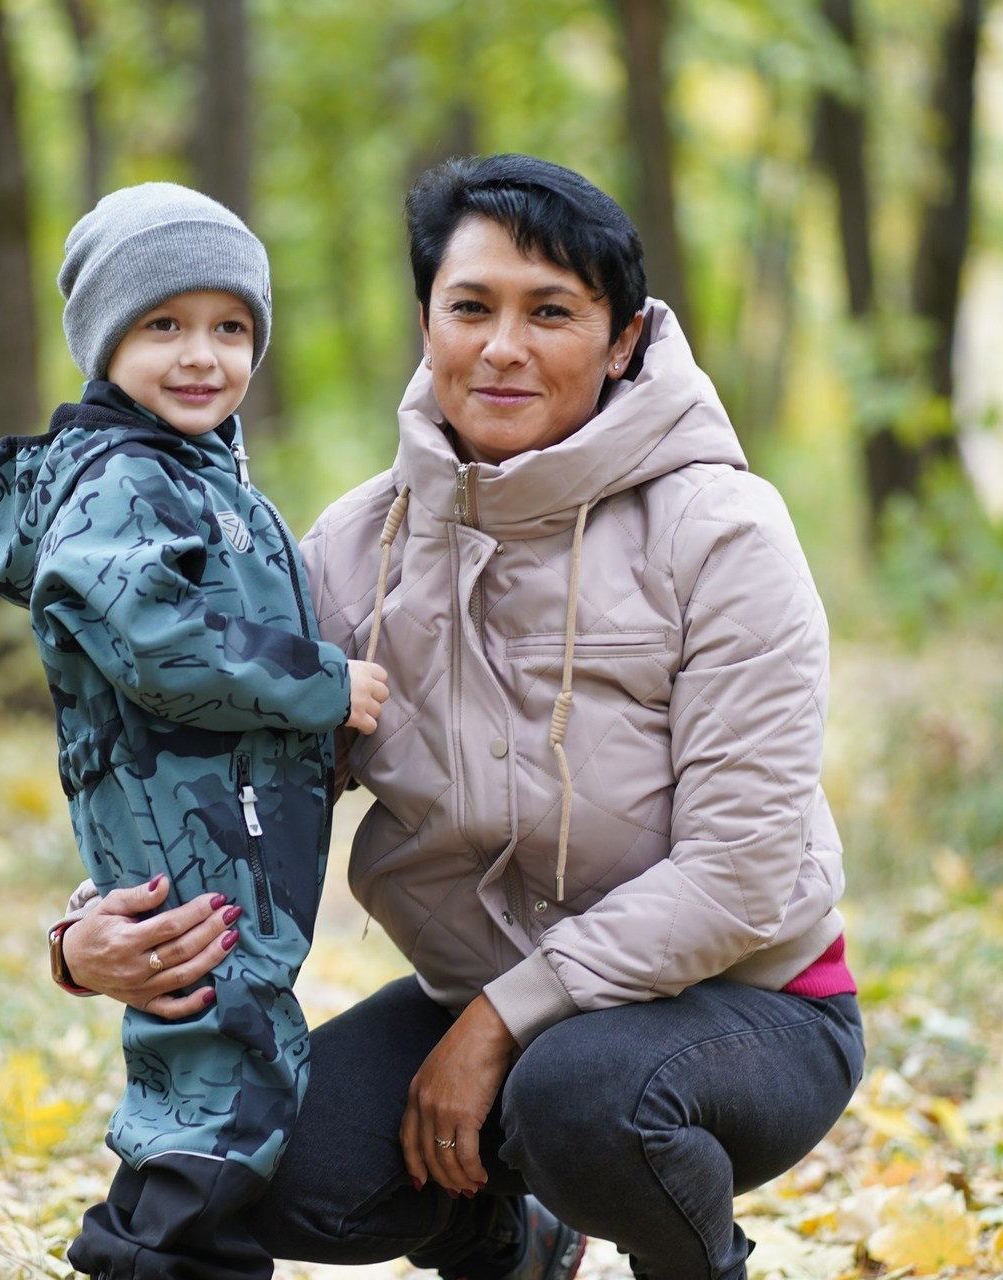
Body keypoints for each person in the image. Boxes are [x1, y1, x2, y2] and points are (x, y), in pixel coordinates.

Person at [54, 154, 865, 1280]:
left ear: (622, 339)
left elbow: (738, 869)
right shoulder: (349, 547)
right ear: (424, 320)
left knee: (580, 1095)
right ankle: (512, 1241)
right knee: (269, 1159)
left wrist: (494, 1022)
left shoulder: (721, 530)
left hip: (745, 1008)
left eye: (551, 312)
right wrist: (88, 932)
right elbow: (208, 764)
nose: (500, 347)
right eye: (469, 306)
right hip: (476, 1003)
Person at [0, 181, 389, 1280]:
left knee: (228, 1068)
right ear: (104, 340)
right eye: (162, 325)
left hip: (229, 833)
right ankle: (148, 1259)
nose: (201, 354)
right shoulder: (123, 479)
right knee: (216, 1085)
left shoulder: (200, 475)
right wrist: (323, 683)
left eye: (229, 327)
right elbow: (157, 644)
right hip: (189, 841)